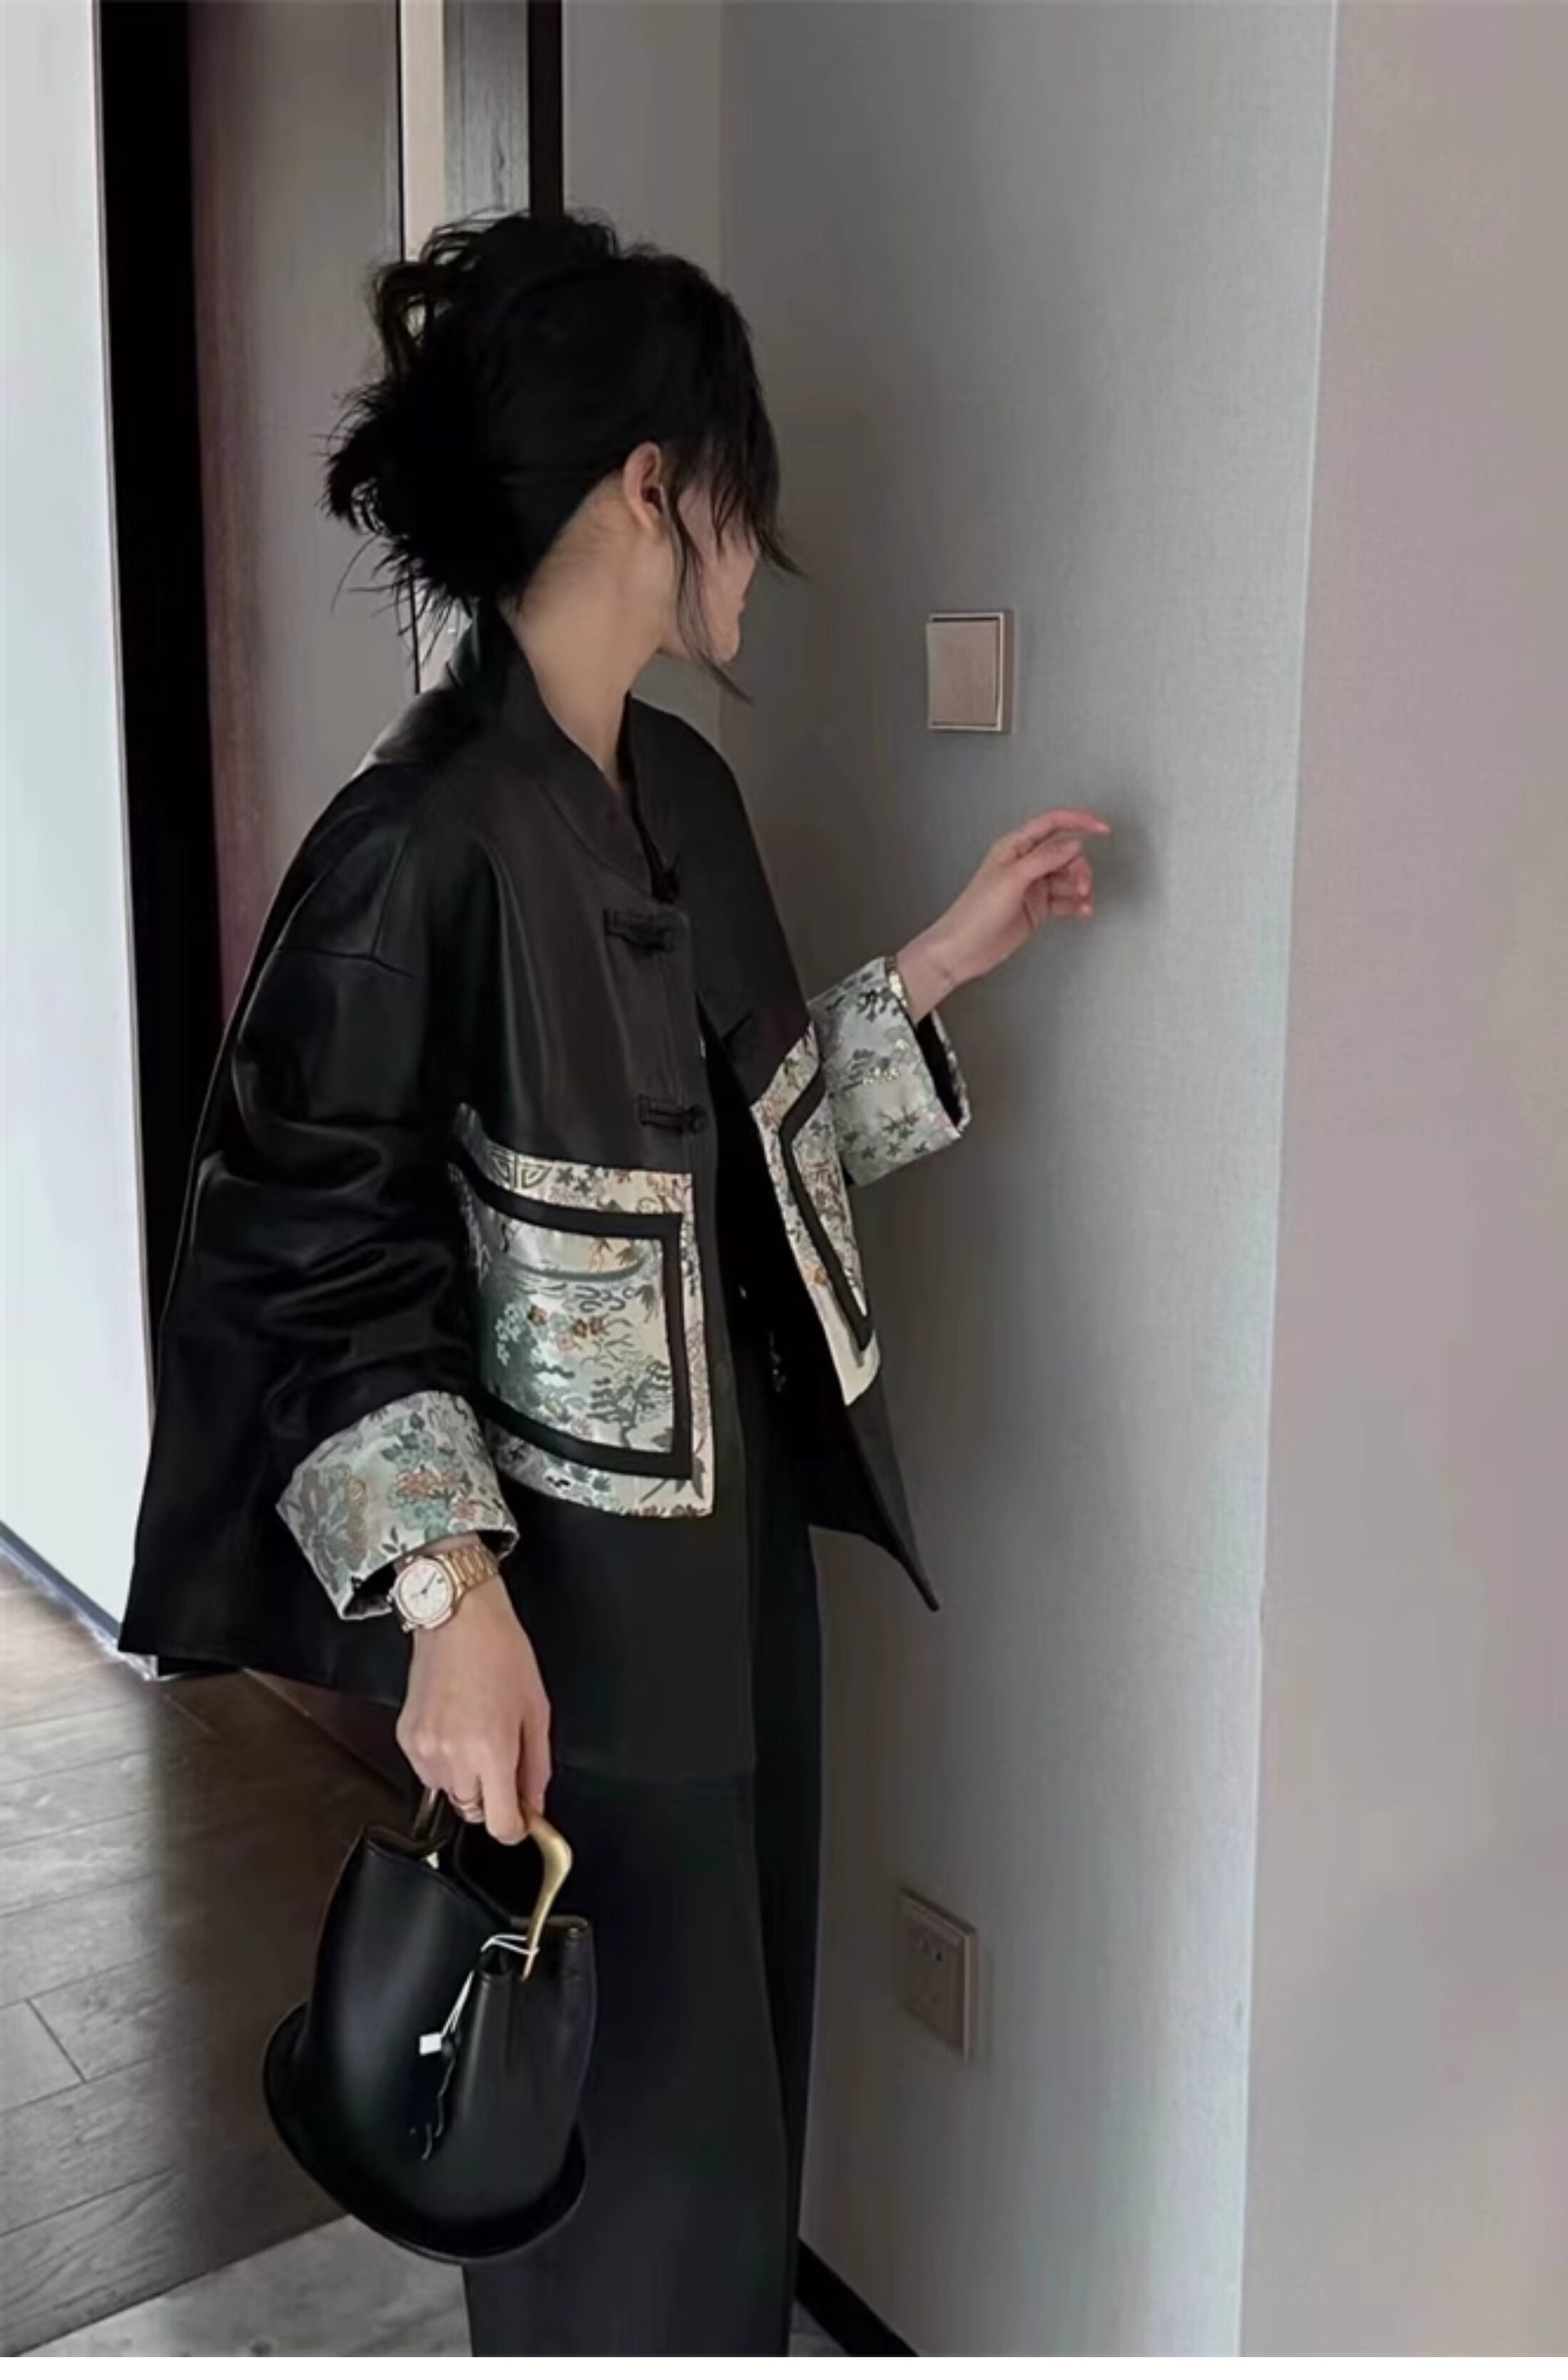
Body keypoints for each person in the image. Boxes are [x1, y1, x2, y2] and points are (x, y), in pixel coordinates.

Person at [122, 207, 1106, 2354]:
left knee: (732, 2121)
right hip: (564, 1633)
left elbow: (724, 1172)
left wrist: (936, 968)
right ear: (652, 488)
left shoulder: (688, 797)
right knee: (621, 2173)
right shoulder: (416, 843)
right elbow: (302, 1255)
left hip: (734, 1590)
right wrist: (448, 1608)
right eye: (738, 484)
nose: (764, 542)